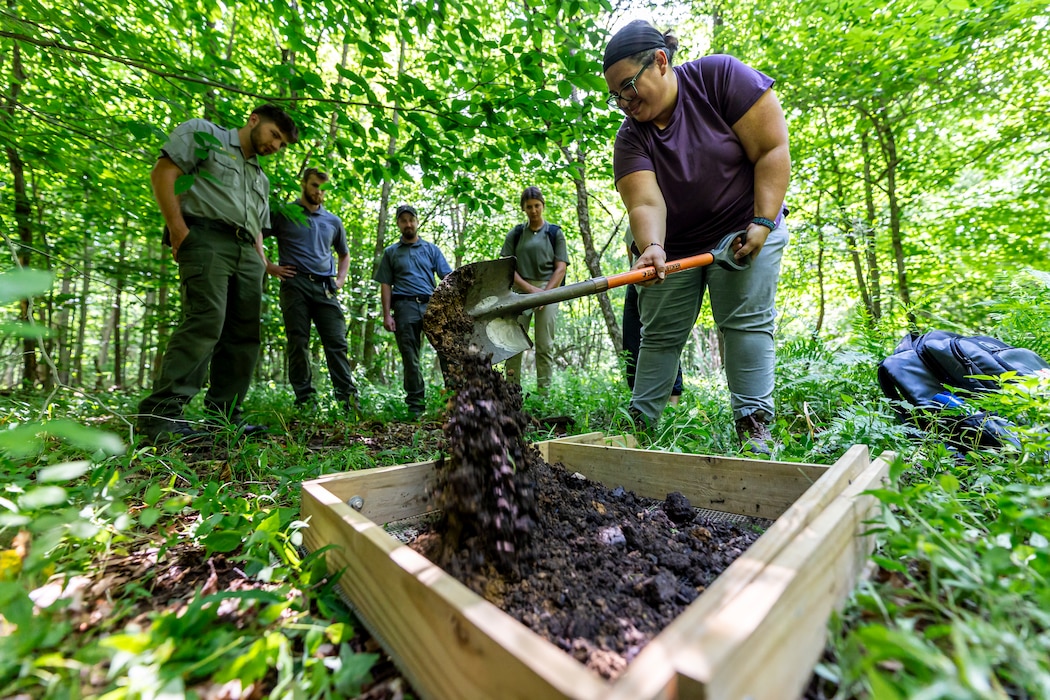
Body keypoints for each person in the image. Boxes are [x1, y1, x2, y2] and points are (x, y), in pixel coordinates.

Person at [603, 21, 790, 453]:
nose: (625, 102)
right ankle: (641, 428)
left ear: (661, 62)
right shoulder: (631, 137)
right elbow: (646, 203)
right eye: (617, 96)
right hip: (676, 248)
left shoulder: (720, 78)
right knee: (660, 335)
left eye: (629, 86)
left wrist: (763, 221)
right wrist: (651, 247)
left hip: (744, 229)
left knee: (744, 326)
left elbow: (771, 149)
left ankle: (755, 429)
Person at [137, 104, 299, 443]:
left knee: (244, 335)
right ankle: (161, 416)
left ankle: (224, 419)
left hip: (247, 254)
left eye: (282, 144)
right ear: (254, 120)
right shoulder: (205, 135)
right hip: (207, 239)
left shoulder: (260, 178)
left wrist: (262, 261)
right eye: (274, 135)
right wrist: (178, 230)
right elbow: (163, 173)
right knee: (205, 320)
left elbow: (256, 227)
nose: (275, 146)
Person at [263, 168, 360, 415]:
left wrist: (340, 279)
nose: (319, 192)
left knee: (337, 342)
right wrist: (268, 266)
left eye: (323, 188)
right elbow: (255, 233)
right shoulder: (284, 213)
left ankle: (348, 402)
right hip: (295, 285)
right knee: (298, 343)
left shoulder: (333, 221)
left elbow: (344, 253)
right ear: (304, 184)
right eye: (315, 185)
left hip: (325, 287)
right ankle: (305, 401)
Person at [375, 205, 452, 418]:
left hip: (431, 305)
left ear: (417, 222)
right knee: (410, 357)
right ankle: (416, 407)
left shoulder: (431, 249)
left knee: (447, 351)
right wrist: (386, 315)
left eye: (411, 219)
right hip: (404, 306)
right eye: (403, 220)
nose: (408, 224)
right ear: (398, 224)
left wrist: (451, 306)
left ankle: (453, 402)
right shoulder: (391, 253)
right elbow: (385, 284)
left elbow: (447, 277)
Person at [499, 186, 569, 394]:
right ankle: (512, 393)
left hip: (550, 291)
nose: (534, 210)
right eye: (529, 207)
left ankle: (544, 393)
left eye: (537, 206)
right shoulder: (517, 233)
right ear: (523, 208)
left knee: (545, 344)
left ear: (543, 206)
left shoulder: (554, 233)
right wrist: (530, 291)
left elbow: (561, 267)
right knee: (513, 343)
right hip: (520, 292)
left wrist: (545, 294)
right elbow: (507, 267)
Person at [622, 227, 683, 405]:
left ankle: (673, 405)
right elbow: (631, 254)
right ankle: (639, 403)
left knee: (664, 337)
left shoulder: (669, 223)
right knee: (632, 343)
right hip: (636, 281)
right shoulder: (631, 227)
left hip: (664, 278)